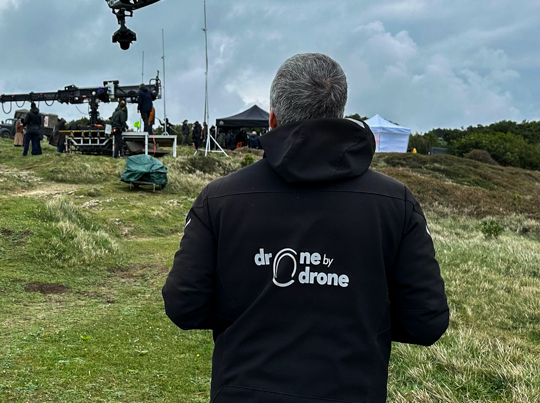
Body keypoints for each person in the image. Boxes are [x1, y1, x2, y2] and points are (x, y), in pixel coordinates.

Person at [162, 53, 448, 403]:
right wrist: (358, 311)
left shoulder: (219, 198)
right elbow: (426, 321)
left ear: (272, 119)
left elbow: (184, 306)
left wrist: (252, 311)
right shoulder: (396, 202)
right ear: (340, 114)